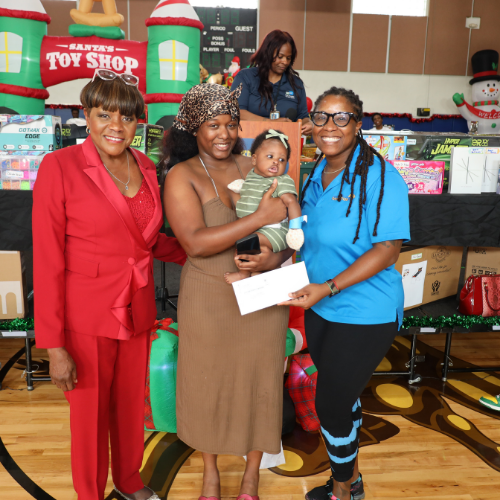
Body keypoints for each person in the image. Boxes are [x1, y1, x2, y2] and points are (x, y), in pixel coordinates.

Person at [33, 69, 186, 500]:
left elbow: (145, 239)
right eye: (104, 115)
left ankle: (129, 480)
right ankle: (89, 494)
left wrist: (199, 252)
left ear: (138, 122)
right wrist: (54, 346)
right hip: (85, 317)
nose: (116, 126)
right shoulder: (60, 167)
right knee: (89, 419)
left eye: (127, 117)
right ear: (86, 116)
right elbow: (47, 261)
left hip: (136, 309)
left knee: (129, 407)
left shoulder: (145, 166)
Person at [279, 87, 410, 500]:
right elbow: (305, 236)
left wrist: (328, 287)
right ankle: (352, 479)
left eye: (341, 118)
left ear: (357, 124)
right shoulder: (316, 170)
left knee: (331, 405)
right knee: (342, 395)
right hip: (320, 306)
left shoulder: (382, 177)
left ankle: (342, 490)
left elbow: (387, 250)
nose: (329, 127)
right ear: (311, 122)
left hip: (365, 310)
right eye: (321, 117)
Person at [162, 83, 292, 500]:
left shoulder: (257, 163)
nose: (224, 133)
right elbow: (195, 243)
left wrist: (271, 259)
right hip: (209, 295)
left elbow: (288, 229)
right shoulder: (182, 175)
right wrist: (258, 218)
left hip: (262, 294)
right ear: (193, 128)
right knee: (208, 384)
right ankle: (211, 473)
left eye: (231, 124)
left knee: (261, 381)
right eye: (213, 125)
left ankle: (252, 475)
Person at [224, 128, 304, 284]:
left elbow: (292, 202)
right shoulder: (252, 176)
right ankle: (257, 273)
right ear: (254, 159)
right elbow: (253, 191)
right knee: (250, 247)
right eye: (270, 156)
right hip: (256, 227)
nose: (276, 161)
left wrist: (295, 229)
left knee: (245, 242)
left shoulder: (281, 180)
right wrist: (243, 186)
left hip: (274, 230)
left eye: (282, 159)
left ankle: (244, 273)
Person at [231, 29, 313, 136]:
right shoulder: (245, 77)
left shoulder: (296, 84)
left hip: (284, 143)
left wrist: (308, 124)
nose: (285, 62)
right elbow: (236, 112)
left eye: (288, 58)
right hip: (248, 141)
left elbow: (303, 116)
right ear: (267, 53)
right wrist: (271, 123)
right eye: (280, 57)